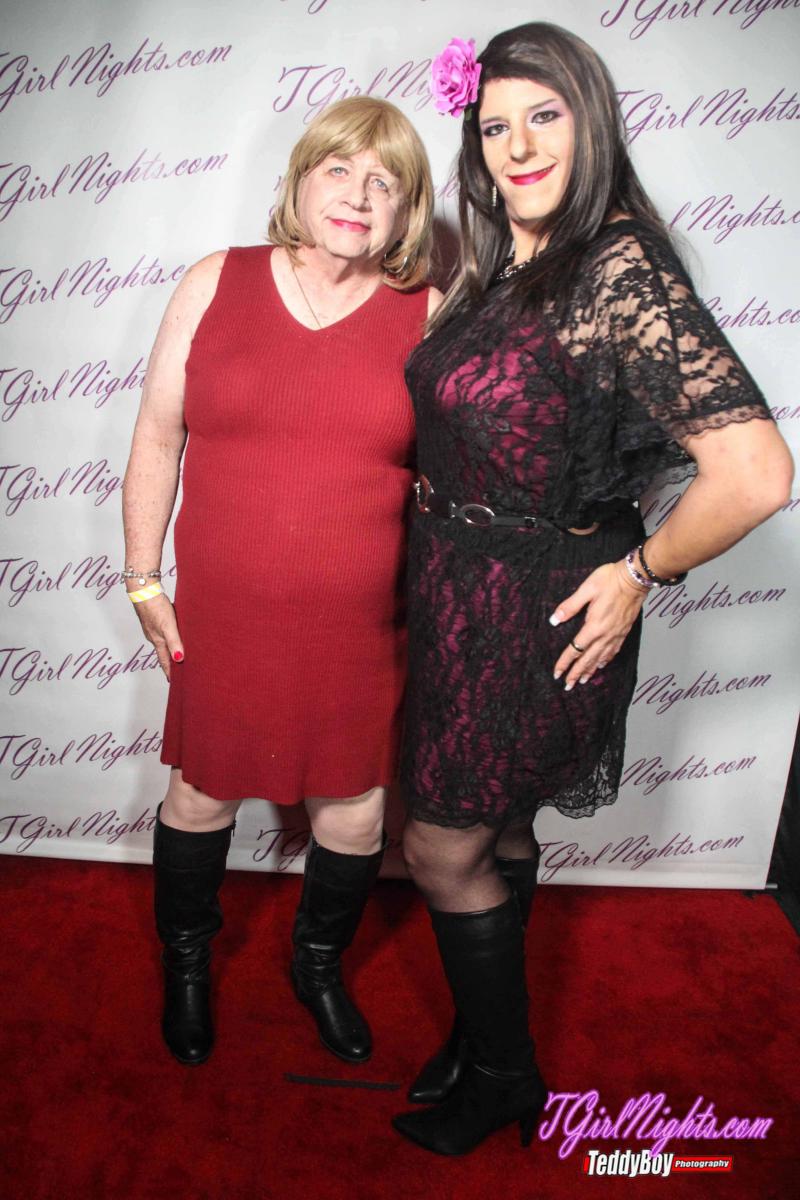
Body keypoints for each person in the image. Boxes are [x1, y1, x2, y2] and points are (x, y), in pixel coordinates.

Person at [391, 24, 794, 1155]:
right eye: (493, 126)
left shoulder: (618, 267)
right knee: (501, 822)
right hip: (464, 585)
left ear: (592, 122)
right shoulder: (519, 262)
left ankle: (503, 1075)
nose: (517, 146)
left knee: (441, 847)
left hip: (536, 601)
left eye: (544, 116)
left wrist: (639, 572)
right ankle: (485, 1032)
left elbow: (755, 473)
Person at [122, 96, 440, 1069]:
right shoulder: (214, 281)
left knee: (355, 813)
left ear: (406, 210)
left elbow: (460, 472)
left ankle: (316, 965)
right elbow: (157, 437)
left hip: (362, 630)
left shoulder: (428, 311)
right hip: (224, 618)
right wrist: (143, 580)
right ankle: (186, 963)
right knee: (198, 799)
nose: (358, 194)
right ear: (300, 181)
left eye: (384, 181)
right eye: (339, 169)